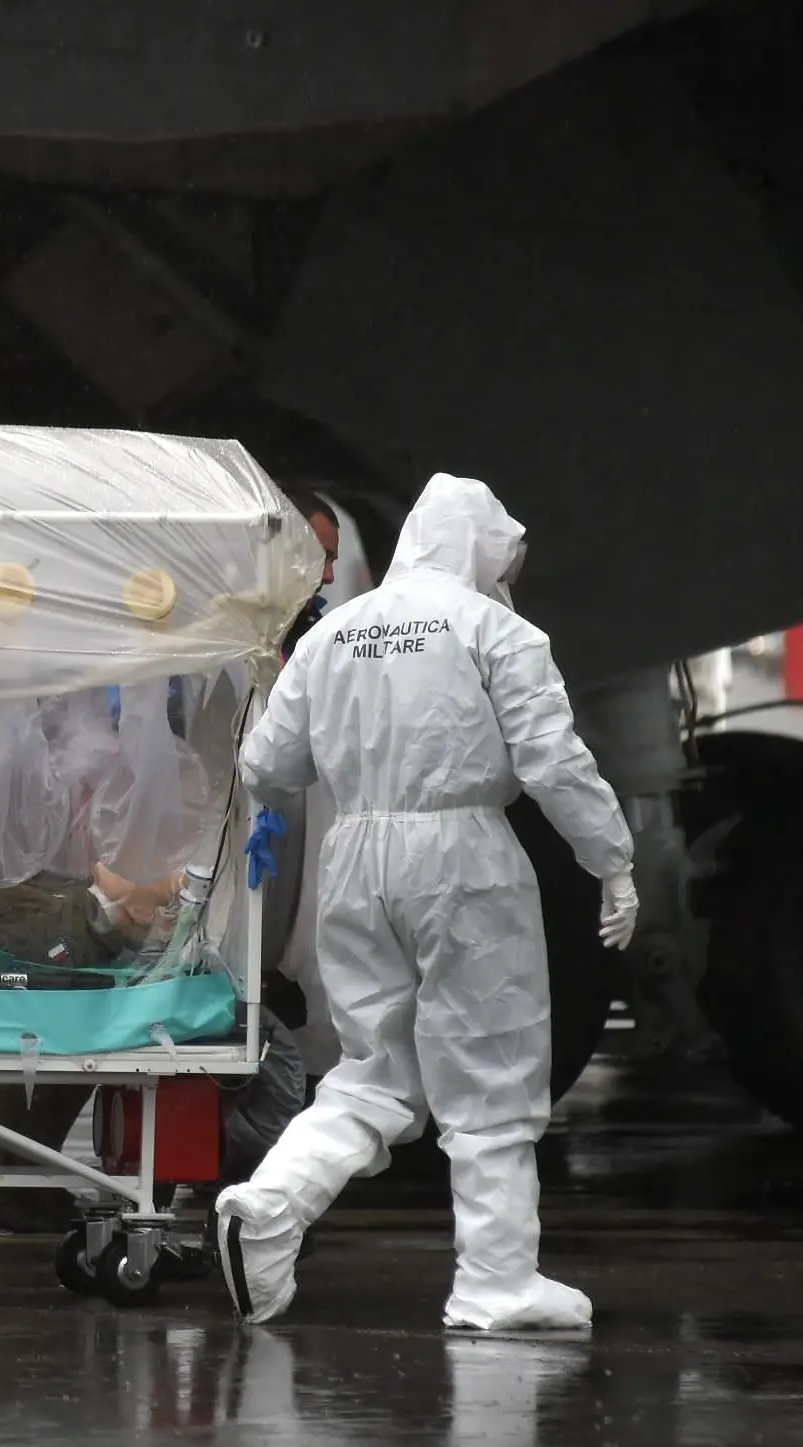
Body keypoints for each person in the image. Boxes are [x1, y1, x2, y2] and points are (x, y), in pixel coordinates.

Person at [213, 474, 638, 1333]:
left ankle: (269, 1206)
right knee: (491, 1072)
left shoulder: (336, 631)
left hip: (357, 859)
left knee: (374, 1072)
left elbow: (265, 765)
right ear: (482, 546)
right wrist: (614, 860)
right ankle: (496, 1279)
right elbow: (555, 763)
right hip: (464, 855)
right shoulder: (496, 630)